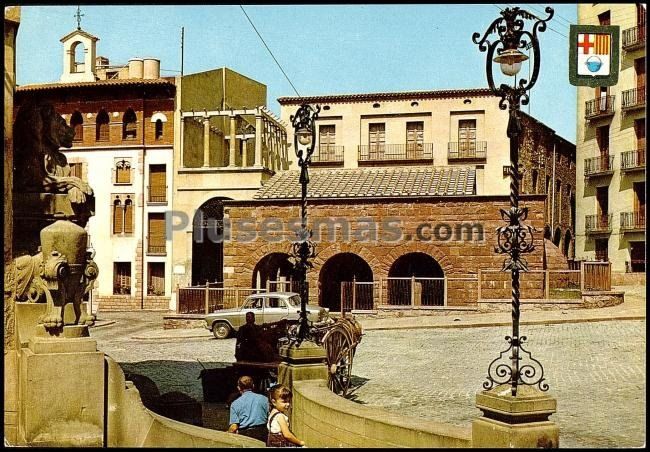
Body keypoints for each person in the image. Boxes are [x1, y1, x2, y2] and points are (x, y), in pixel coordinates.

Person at [227, 375, 269, 442]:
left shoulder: (235, 404)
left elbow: (234, 427)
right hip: (262, 432)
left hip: (245, 435)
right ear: (253, 386)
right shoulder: (264, 399)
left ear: (238, 388)